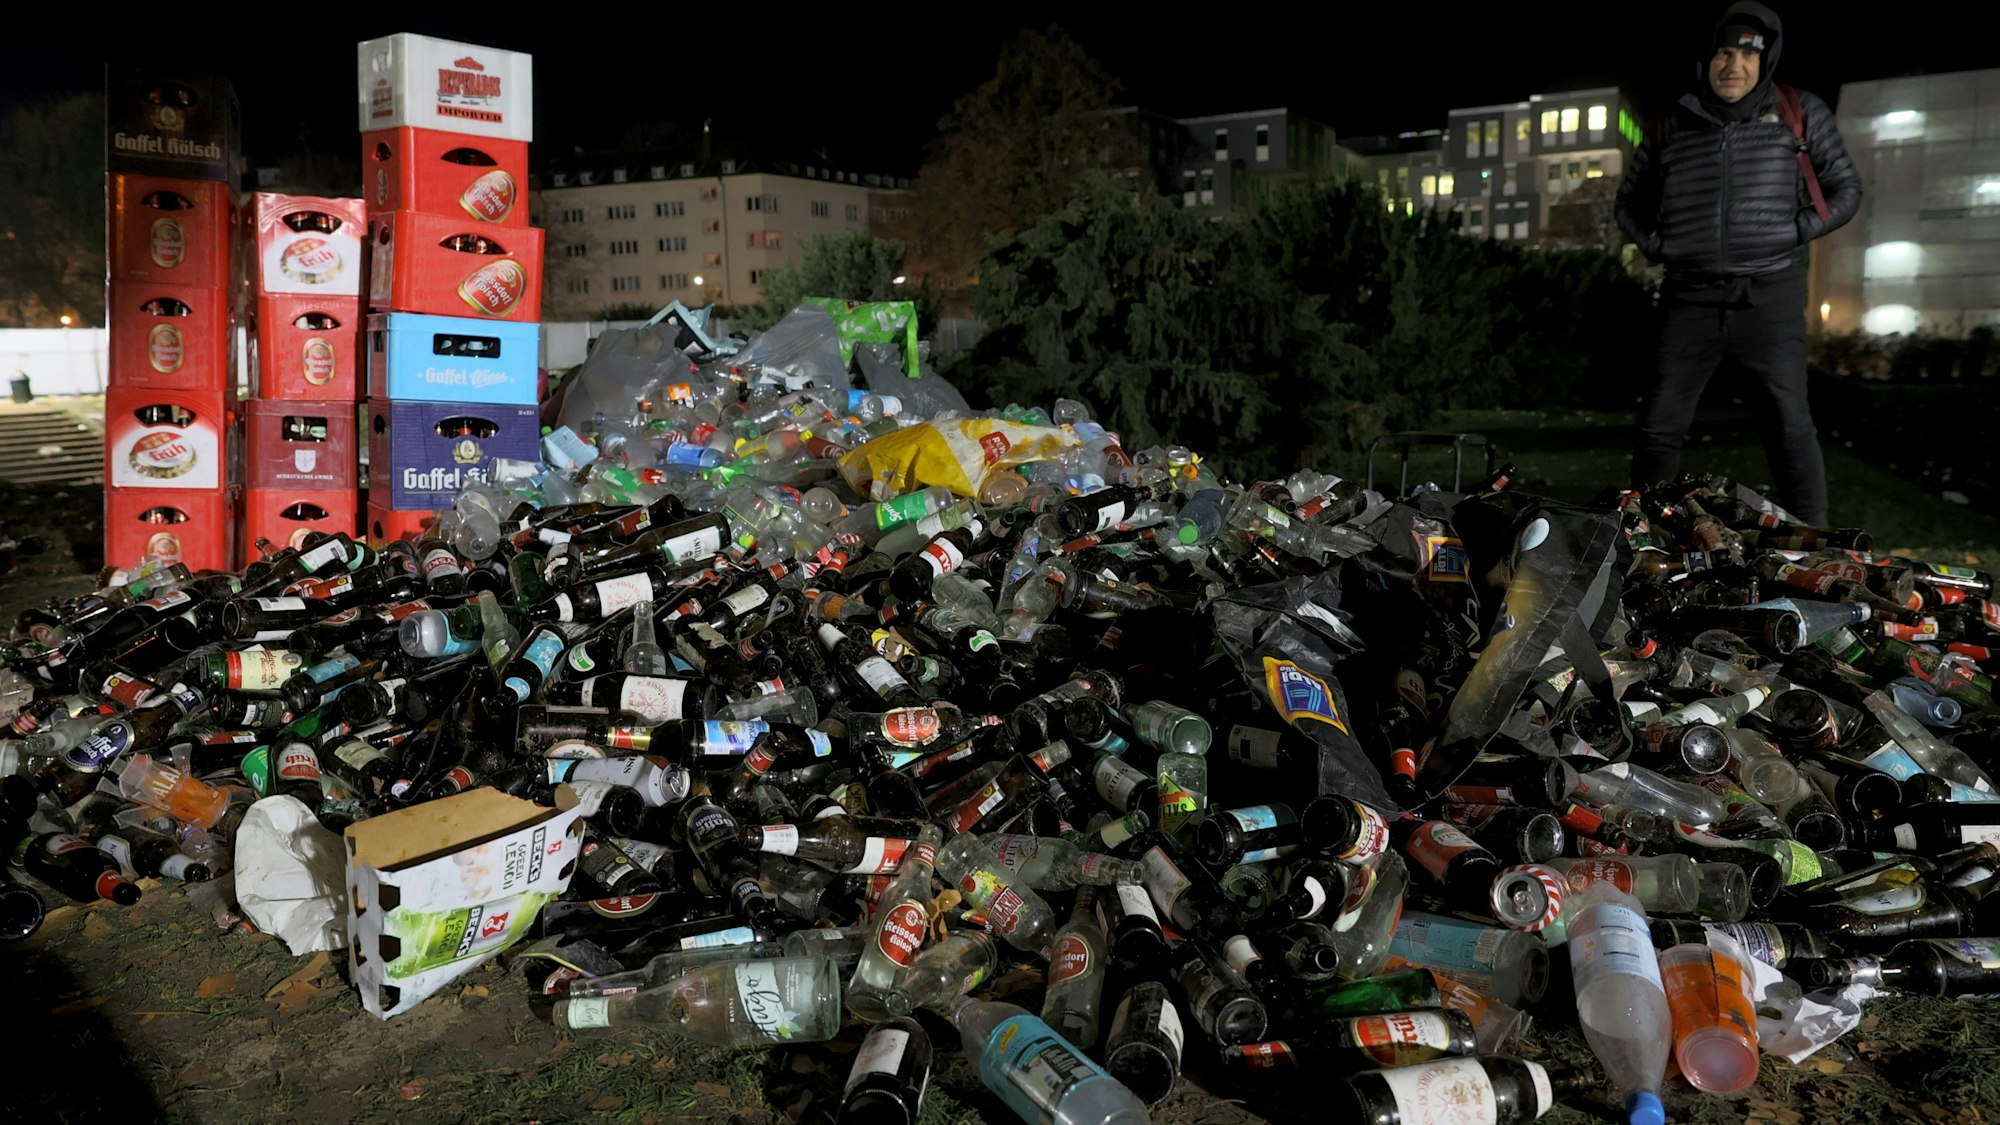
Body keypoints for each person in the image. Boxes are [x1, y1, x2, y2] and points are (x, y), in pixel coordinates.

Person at [1616, 2, 1861, 526]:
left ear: (1765, 60)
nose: (1734, 65)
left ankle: (1814, 544)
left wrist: (1795, 231)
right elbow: (1628, 203)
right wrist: (1659, 246)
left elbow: (1846, 189)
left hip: (1770, 292)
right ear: (1706, 60)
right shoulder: (1670, 122)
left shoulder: (1799, 111)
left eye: (1748, 54)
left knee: (1789, 424)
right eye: (1724, 53)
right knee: (1659, 426)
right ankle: (1644, 535)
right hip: (1689, 296)